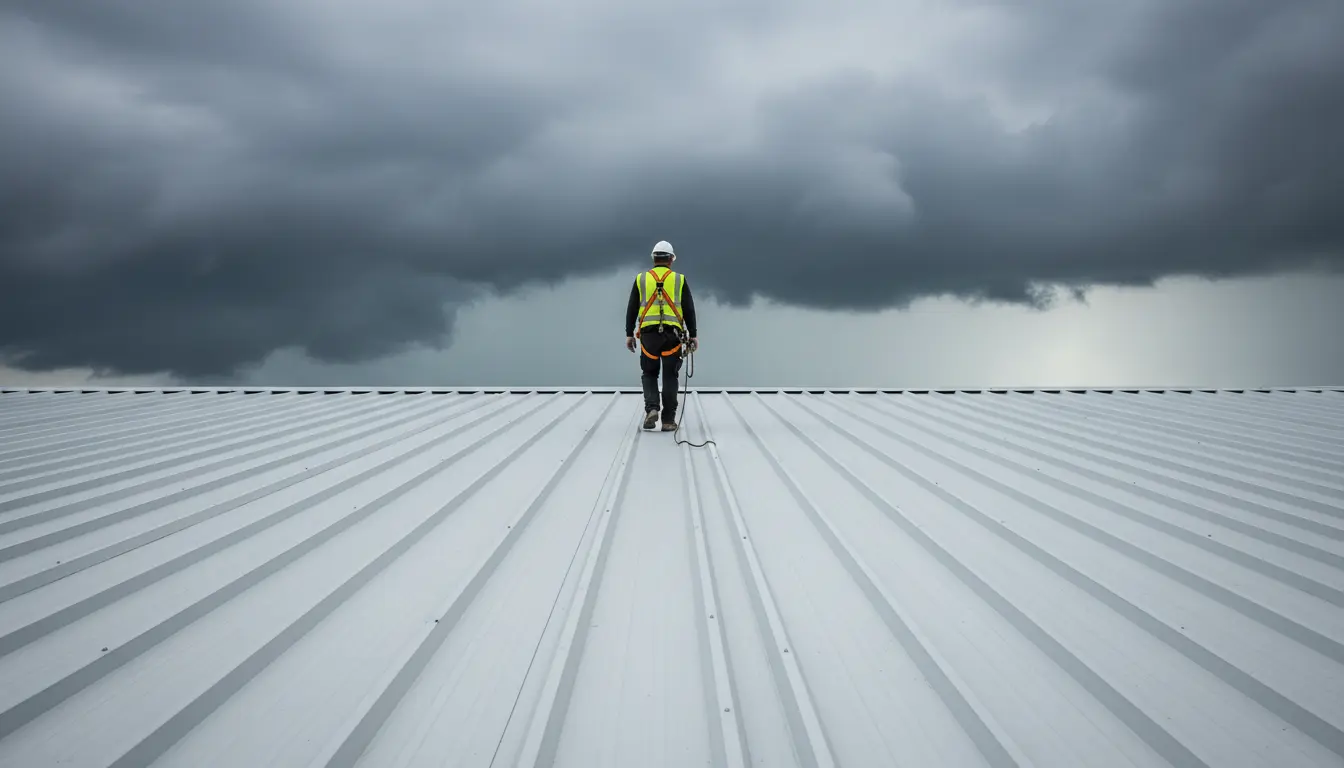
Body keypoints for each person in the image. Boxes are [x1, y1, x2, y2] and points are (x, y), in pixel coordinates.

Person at [625, 240, 698, 431]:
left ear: (653, 259)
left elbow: (632, 308)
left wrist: (629, 334)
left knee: (649, 373)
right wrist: (693, 335)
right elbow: (689, 309)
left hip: (649, 336)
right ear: (671, 259)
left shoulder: (641, 279)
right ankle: (667, 421)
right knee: (670, 376)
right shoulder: (679, 279)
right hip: (672, 336)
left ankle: (652, 409)